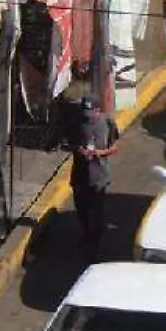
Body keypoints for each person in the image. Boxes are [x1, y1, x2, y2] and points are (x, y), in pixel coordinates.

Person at [66, 95, 120, 263]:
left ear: (98, 110)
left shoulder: (107, 123)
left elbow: (115, 147)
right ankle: (86, 234)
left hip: (99, 175)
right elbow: (68, 143)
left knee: (96, 211)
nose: (87, 116)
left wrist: (99, 153)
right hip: (80, 175)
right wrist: (78, 149)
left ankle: (94, 246)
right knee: (81, 209)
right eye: (85, 112)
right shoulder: (77, 123)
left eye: (91, 112)